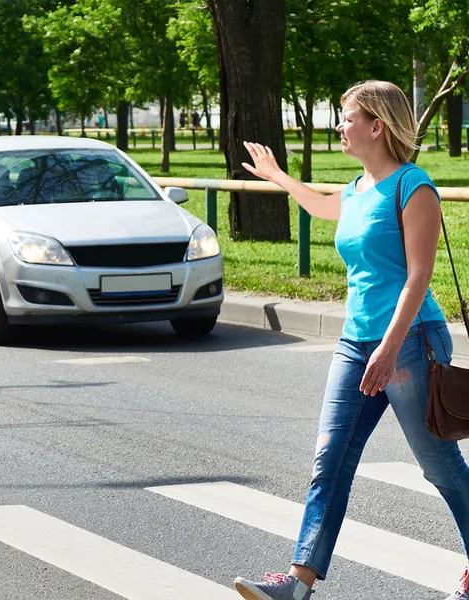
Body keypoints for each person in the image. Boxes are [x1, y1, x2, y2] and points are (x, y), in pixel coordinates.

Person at [233, 80, 469, 600]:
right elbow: (320, 207)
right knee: (330, 458)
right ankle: (298, 584)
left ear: (377, 126)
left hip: (408, 340)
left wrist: (388, 349)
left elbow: (418, 278)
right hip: (354, 340)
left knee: (438, 464)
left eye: (347, 118)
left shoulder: (414, 187)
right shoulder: (358, 189)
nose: (339, 126)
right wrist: (277, 176)